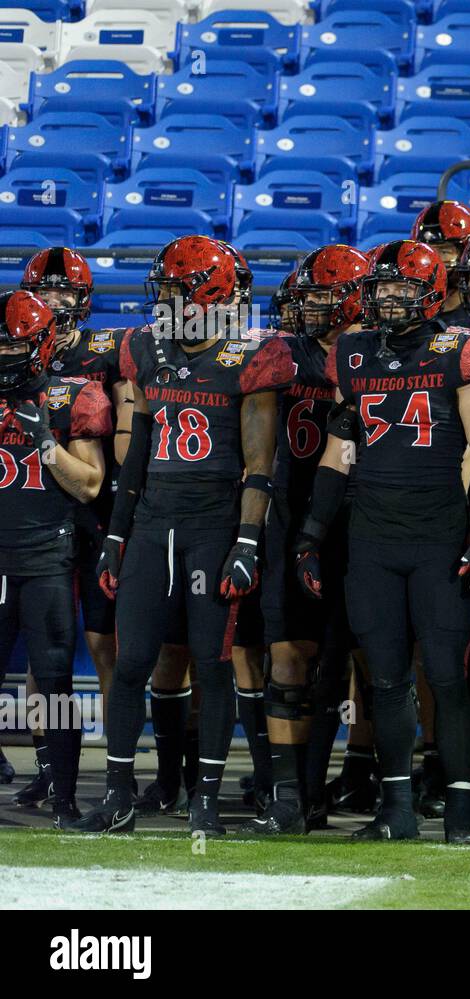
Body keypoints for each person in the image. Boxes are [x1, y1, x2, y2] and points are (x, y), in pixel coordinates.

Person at [70, 235, 294, 836]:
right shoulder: (144, 347)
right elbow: (137, 452)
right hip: (152, 524)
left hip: (212, 525)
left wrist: (247, 541)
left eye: (174, 290)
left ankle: (206, 801)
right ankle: (119, 794)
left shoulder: (254, 355)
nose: (163, 301)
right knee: (133, 658)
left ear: (209, 295)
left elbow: (259, 462)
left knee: (214, 661)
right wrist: (117, 534)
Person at [294, 239, 470, 842]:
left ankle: (461, 811)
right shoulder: (355, 353)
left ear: (431, 293)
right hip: (372, 540)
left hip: (438, 535)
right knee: (385, 680)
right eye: (382, 289)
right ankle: (397, 810)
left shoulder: (462, 347)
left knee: (443, 676)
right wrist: (311, 534)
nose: (389, 300)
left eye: (402, 289)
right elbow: (339, 453)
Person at [241, 244, 371, 835]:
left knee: (346, 663)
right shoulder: (279, 355)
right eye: (308, 295)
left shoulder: (378, 355)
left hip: (363, 526)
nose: (311, 306)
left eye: (322, 295)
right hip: (290, 520)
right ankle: (289, 794)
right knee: (288, 656)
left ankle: (328, 786)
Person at [11, 248, 130, 809]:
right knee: (44, 656)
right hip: (36, 514)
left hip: (97, 510)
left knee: (105, 646)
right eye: (46, 290)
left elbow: (128, 440)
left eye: (66, 292)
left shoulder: (107, 353)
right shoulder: (14, 342)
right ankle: (49, 768)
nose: (56, 301)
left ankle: (116, 771)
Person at [411, 200, 470, 328]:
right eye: (428, 251)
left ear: (467, 251)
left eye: (444, 251)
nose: (435, 259)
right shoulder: (409, 300)